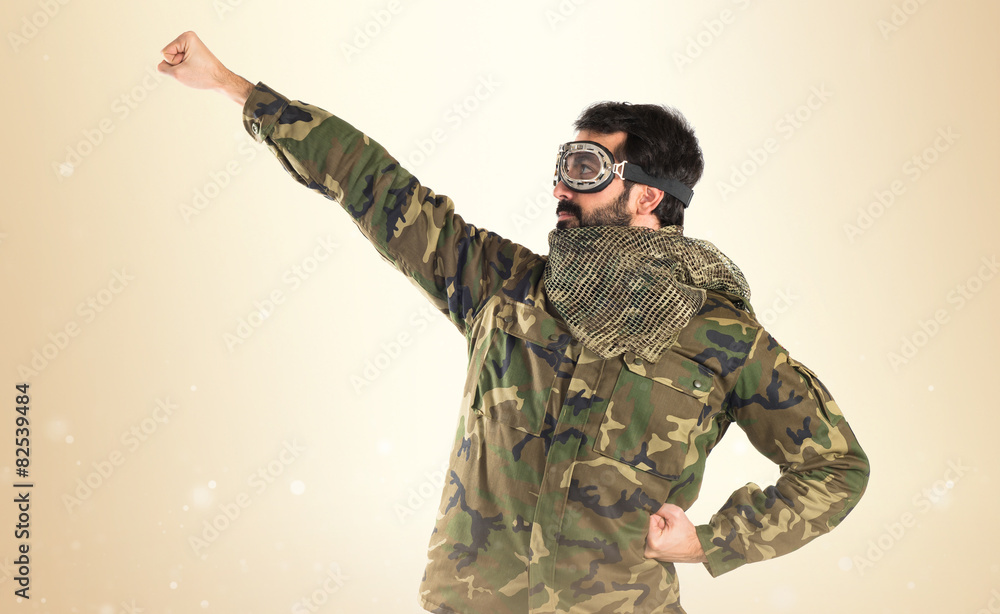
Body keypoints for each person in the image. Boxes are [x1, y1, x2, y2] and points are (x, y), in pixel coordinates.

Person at [158, 30, 870, 614]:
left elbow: (835, 467)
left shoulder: (720, 337)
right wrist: (231, 85)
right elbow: (375, 185)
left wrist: (710, 542)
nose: (561, 186)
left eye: (586, 169)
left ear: (649, 196)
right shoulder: (501, 286)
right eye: (563, 165)